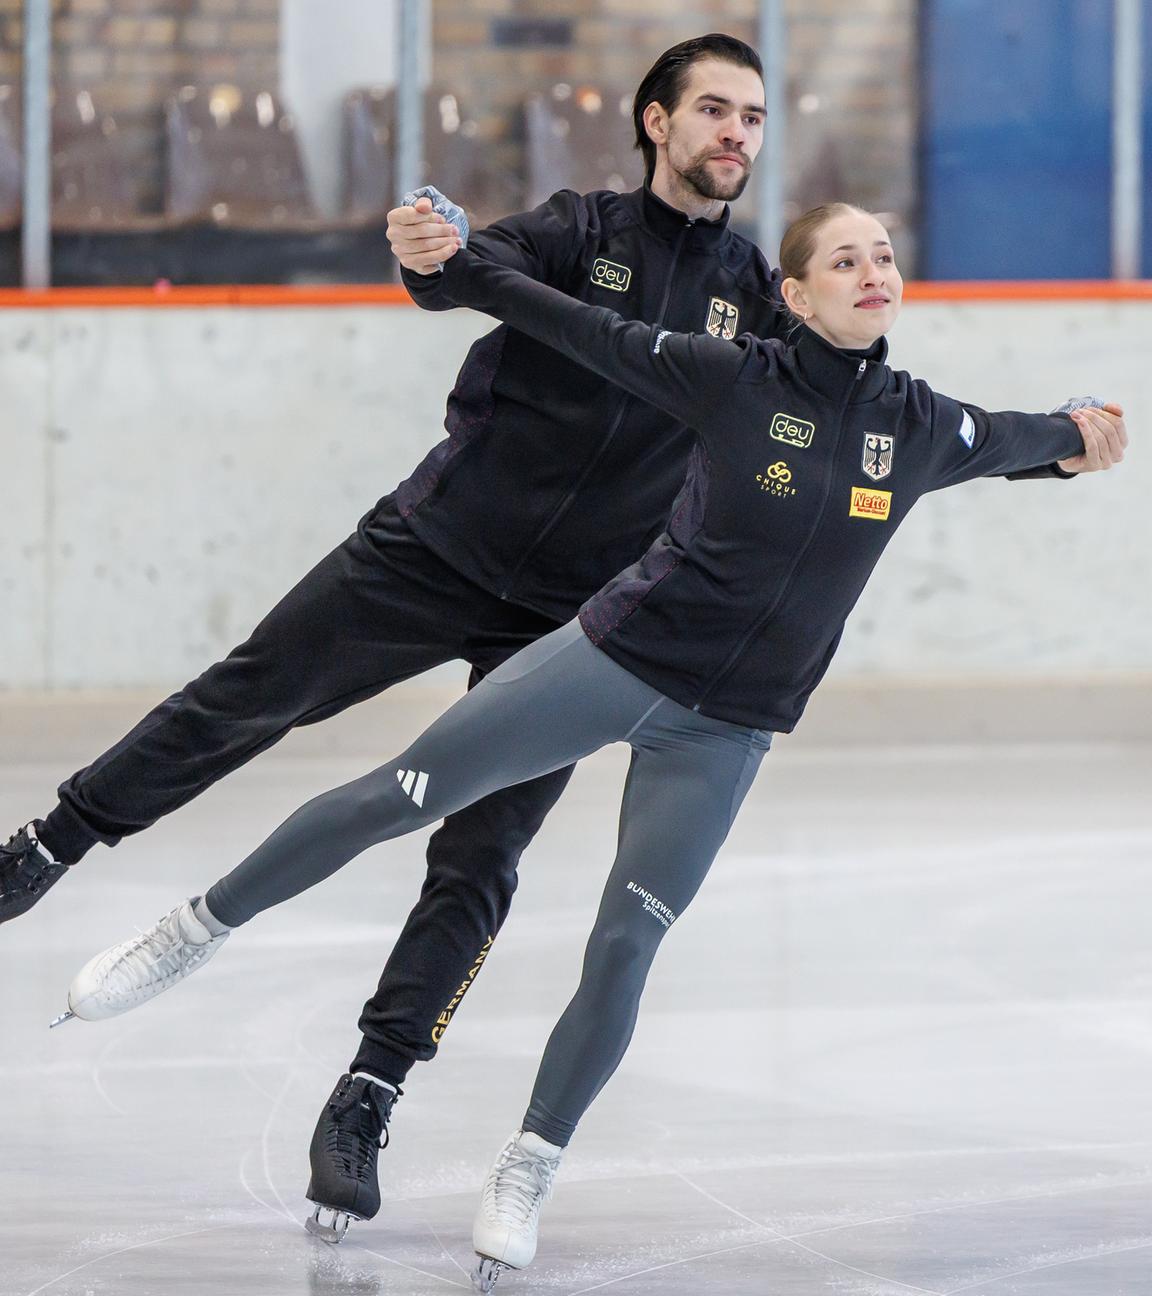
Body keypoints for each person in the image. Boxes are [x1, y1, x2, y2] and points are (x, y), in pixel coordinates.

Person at [56, 201, 1126, 1290]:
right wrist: (460, 264)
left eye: (884, 256)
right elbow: (576, 326)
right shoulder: (730, 376)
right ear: (796, 295)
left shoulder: (924, 425)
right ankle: (191, 932)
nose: (872, 271)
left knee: (626, 942)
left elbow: (1025, 438)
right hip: (611, 661)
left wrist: (1080, 433)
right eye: (844, 259)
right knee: (398, 795)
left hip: (728, 727)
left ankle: (529, 1163)